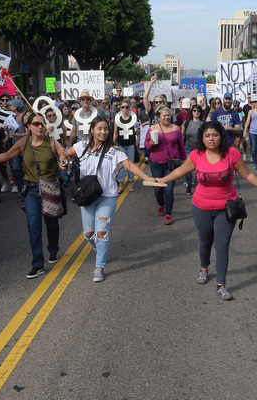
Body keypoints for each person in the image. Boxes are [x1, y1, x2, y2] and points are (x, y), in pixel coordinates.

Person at [157, 120, 257, 300]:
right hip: (200, 207)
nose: (211, 139)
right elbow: (179, 172)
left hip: (226, 208)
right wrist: (162, 180)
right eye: (207, 135)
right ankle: (204, 268)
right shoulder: (196, 155)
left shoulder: (231, 153)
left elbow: (247, 174)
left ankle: (221, 284)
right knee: (205, 241)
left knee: (222, 244)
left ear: (221, 137)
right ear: (202, 138)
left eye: (215, 135)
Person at [62, 117, 154, 282]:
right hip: (87, 196)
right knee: (89, 234)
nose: (103, 132)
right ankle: (100, 249)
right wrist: (63, 162)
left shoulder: (115, 151)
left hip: (107, 197)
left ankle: (99, 267)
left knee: (102, 233)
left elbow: (130, 166)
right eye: (99, 128)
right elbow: (65, 155)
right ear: (92, 130)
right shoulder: (81, 146)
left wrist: (148, 177)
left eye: (106, 129)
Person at [0, 112, 66, 278]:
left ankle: (53, 249)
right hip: (31, 190)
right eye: (36, 124)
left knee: (51, 223)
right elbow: (6, 155)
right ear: (29, 126)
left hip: (50, 188)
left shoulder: (52, 142)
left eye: (42, 124)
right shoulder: (23, 143)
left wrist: (62, 163)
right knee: (34, 226)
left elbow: (63, 154)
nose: (40, 127)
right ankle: (38, 264)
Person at [144, 107, 186, 225]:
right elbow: (146, 144)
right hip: (156, 164)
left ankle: (168, 213)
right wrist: (150, 143)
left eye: (168, 115)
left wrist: (184, 160)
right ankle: (161, 204)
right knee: (158, 190)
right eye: (164, 116)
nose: (167, 117)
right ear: (158, 117)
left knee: (168, 189)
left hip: (171, 165)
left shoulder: (175, 128)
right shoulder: (152, 129)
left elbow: (181, 145)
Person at [113, 100, 139, 193]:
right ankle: (121, 184)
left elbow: (137, 129)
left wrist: (138, 139)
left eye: (126, 107)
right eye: (122, 107)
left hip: (131, 144)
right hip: (121, 145)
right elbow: (115, 132)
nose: (124, 109)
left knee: (131, 164)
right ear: (120, 108)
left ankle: (130, 184)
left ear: (129, 108)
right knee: (121, 166)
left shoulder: (133, 117)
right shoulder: (117, 117)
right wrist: (112, 144)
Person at [182, 102, 205, 195]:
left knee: (198, 170)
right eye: (194, 110)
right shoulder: (186, 122)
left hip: (200, 149)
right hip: (188, 148)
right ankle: (189, 184)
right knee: (188, 170)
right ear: (192, 112)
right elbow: (182, 135)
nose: (196, 112)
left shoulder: (203, 123)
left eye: (198, 111)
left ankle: (196, 186)